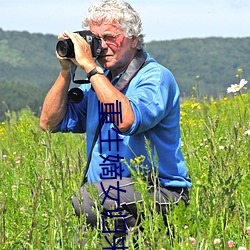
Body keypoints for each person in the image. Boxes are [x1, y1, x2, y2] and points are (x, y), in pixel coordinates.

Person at [40, 0, 192, 246]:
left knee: (87, 199)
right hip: (109, 198)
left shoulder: (154, 77)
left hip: (160, 192)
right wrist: (66, 70)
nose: (102, 47)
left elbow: (126, 121)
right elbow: (49, 122)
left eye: (110, 37)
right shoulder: (98, 83)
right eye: (96, 39)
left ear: (133, 39)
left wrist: (90, 68)